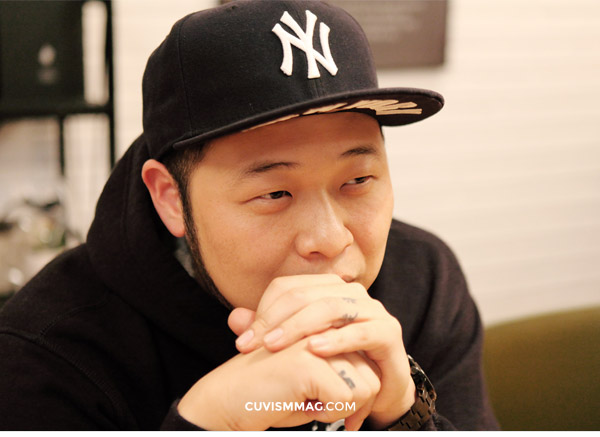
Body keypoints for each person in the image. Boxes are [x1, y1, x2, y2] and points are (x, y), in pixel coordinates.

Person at [0, 0, 499, 431]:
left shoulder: (424, 279)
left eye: (357, 180)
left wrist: (406, 414)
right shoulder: (48, 349)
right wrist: (209, 420)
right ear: (171, 198)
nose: (330, 238)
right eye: (275, 192)